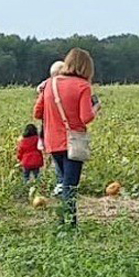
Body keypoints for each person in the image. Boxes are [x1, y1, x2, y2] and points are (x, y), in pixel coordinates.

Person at [34, 48, 97, 228]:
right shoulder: (83, 86)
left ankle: (64, 221)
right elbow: (86, 117)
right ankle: (69, 223)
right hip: (73, 141)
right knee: (71, 185)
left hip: (53, 142)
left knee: (63, 181)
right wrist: (96, 109)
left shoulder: (49, 84)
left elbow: (37, 113)